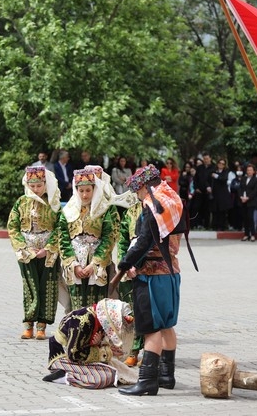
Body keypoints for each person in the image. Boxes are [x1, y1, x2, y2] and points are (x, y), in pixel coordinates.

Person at [115, 165, 184, 396]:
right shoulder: (172, 201)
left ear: (145, 187)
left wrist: (126, 263)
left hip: (152, 275)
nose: (137, 196)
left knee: (151, 328)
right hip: (171, 272)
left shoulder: (152, 206)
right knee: (166, 325)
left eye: (137, 191)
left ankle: (147, 381)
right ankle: (167, 375)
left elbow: (145, 241)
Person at [7, 166, 62, 340]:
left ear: (45, 185)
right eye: (32, 185)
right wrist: (25, 248)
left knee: (48, 286)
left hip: (48, 254)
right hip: (26, 253)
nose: (35, 189)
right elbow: (12, 227)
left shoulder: (53, 203)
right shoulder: (21, 202)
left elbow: (61, 227)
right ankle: (28, 324)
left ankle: (42, 326)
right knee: (30, 286)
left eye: (38, 185)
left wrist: (48, 248)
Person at [59, 167, 120, 310]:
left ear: (95, 189)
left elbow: (109, 237)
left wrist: (95, 264)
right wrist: (74, 264)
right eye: (81, 191)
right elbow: (62, 237)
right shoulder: (68, 210)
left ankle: (96, 332)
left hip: (96, 263)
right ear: (76, 190)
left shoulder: (106, 209)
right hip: (75, 263)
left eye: (88, 190)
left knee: (96, 305)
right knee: (76, 304)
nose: (85, 195)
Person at [43, 298, 136, 388]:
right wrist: (105, 351)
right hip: (63, 356)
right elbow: (74, 355)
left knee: (120, 369)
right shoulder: (83, 322)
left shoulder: (98, 318)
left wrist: (103, 346)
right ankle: (63, 377)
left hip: (82, 355)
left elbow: (94, 344)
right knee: (103, 377)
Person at [116, 198, 145, 367]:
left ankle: (148, 351)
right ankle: (133, 350)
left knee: (146, 310)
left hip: (149, 266)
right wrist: (125, 262)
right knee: (130, 309)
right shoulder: (129, 212)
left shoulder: (158, 209)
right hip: (130, 263)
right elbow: (122, 241)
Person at [238, 164, 257, 242]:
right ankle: (246, 234)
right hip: (243, 200)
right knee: (245, 218)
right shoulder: (243, 179)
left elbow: (256, 191)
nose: (249, 171)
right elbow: (240, 188)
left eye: (251, 170)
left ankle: (253, 234)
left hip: (251, 201)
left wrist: (248, 198)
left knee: (251, 218)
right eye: (248, 170)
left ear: (254, 171)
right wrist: (241, 196)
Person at [210, 158, 233, 231]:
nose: (221, 165)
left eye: (223, 164)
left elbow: (224, 179)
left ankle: (223, 226)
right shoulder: (213, 171)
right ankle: (215, 225)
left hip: (223, 195)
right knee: (215, 210)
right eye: (220, 163)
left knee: (222, 211)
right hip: (215, 193)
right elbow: (208, 179)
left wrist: (216, 176)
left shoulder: (226, 171)